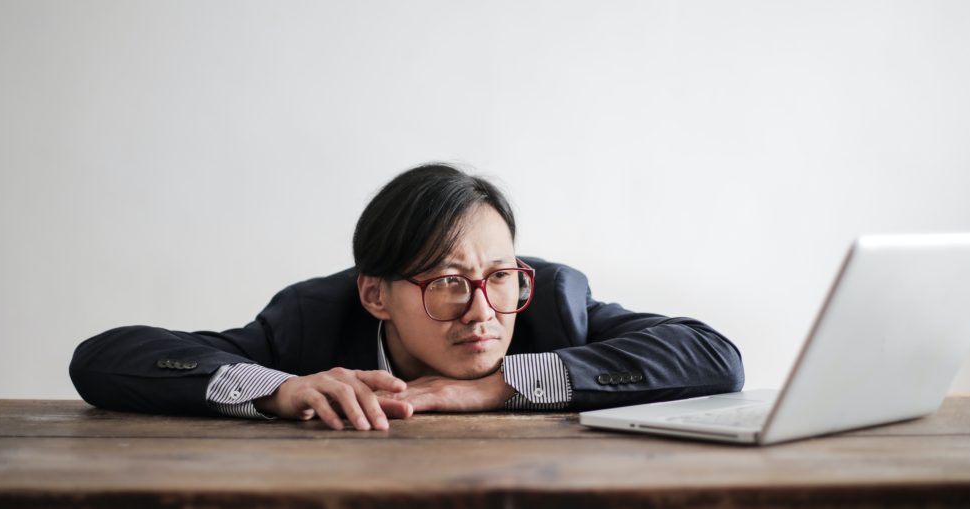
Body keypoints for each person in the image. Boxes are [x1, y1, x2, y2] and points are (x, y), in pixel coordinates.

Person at [69, 163, 744, 431]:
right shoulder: (311, 320)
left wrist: (497, 387)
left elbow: (714, 356)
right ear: (375, 294)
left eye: (500, 275)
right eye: (448, 282)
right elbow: (102, 359)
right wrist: (280, 389)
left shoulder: (552, 301)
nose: (484, 310)